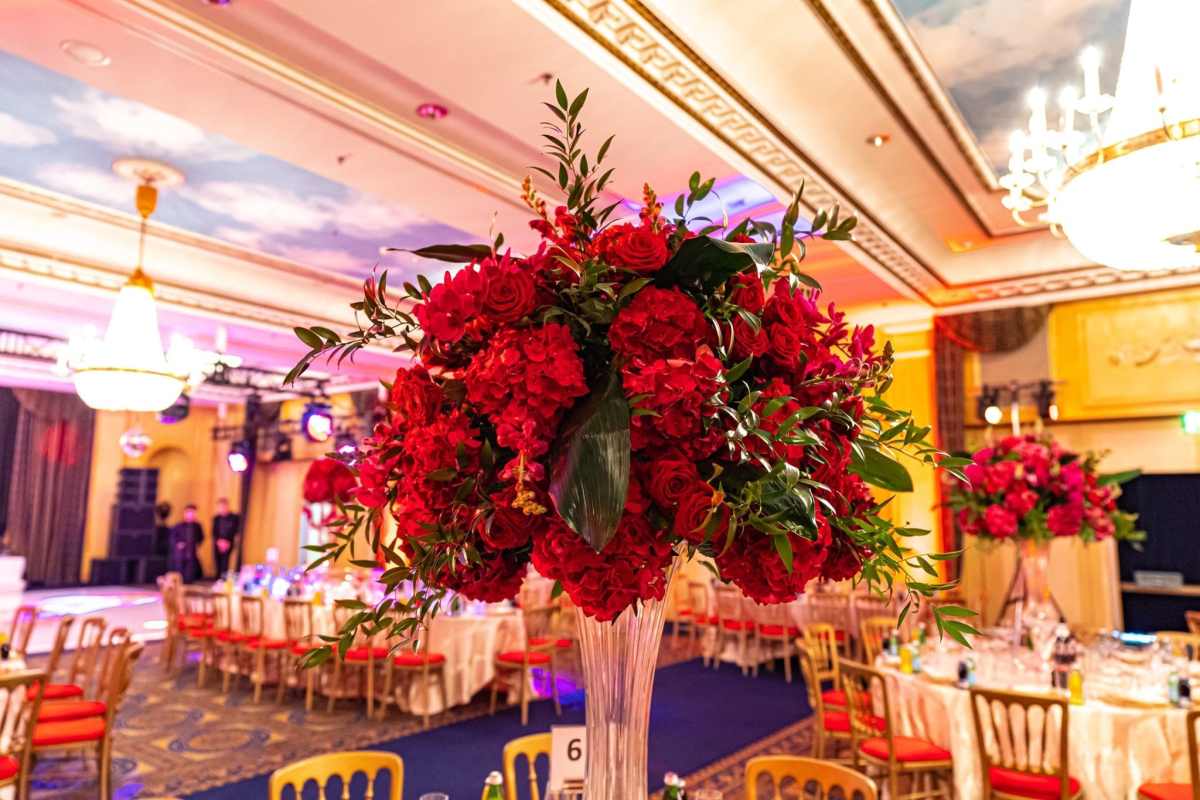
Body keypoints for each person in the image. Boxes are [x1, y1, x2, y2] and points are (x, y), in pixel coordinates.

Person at [168, 504, 204, 583]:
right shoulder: (178, 526)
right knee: (180, 577)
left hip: (192, 555)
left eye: (193, 513)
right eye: (189, 513)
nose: (191, 515)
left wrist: (194, 544)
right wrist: (178, 544)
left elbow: (201, 538)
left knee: (190, 578)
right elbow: (173, 539)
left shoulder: (197, 526)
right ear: (185, 513)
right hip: (180, 556)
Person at [211, 497, 241, 577]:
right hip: (218, 543)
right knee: (217, 562)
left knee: (225, 563)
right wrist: (219, 542)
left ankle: (224, 579)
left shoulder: (234, 517)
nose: (222, 508)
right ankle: (217, 579)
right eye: (220, 507)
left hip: (229, 543)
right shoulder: (216, 518)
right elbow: (214, 532)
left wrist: (227, 542)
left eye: (223, 506)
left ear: (227, 506)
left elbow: (235, 531)